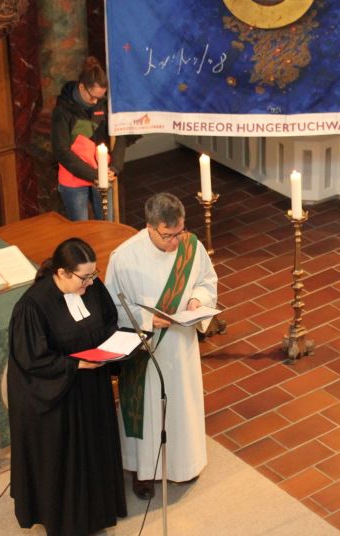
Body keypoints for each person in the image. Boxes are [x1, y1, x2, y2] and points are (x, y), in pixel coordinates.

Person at [7, 238, 127, 535]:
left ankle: (98, 511)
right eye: (83, 277)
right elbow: (31, 359)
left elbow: (109, 320)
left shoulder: (92, 288)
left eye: (93, 274)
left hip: (92, 389)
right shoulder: (32, 306)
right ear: (61, 273)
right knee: (66, 460)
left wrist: (114, 346)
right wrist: (75, 365)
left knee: (94, 449)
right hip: (57, 399)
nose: (90, 283)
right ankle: (67, 521)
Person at [105, 193, 218, 499]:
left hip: (180, 348)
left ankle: (184, 464)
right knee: (148, 411)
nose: (175, 242)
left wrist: (198, 299)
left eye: (179, 232)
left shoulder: (191, 247)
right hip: (146, 352)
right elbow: (111, 307)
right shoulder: (124, 258)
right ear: (150, 228)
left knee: (182, 405)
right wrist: (145, 318)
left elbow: (207, 281)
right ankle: (144, 472)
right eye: (168, 236)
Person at [51, 56, 123, 221]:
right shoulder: (63, 110)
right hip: (74, 178)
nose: (96, 101)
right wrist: (94, 175)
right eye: (92, 97)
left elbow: (120, 133)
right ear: (82, 87)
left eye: (100, 97)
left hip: (104, 172)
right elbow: (61, 151)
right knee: (82, 228)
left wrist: (115, 167)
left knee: (107, 226)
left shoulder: (104, 104)